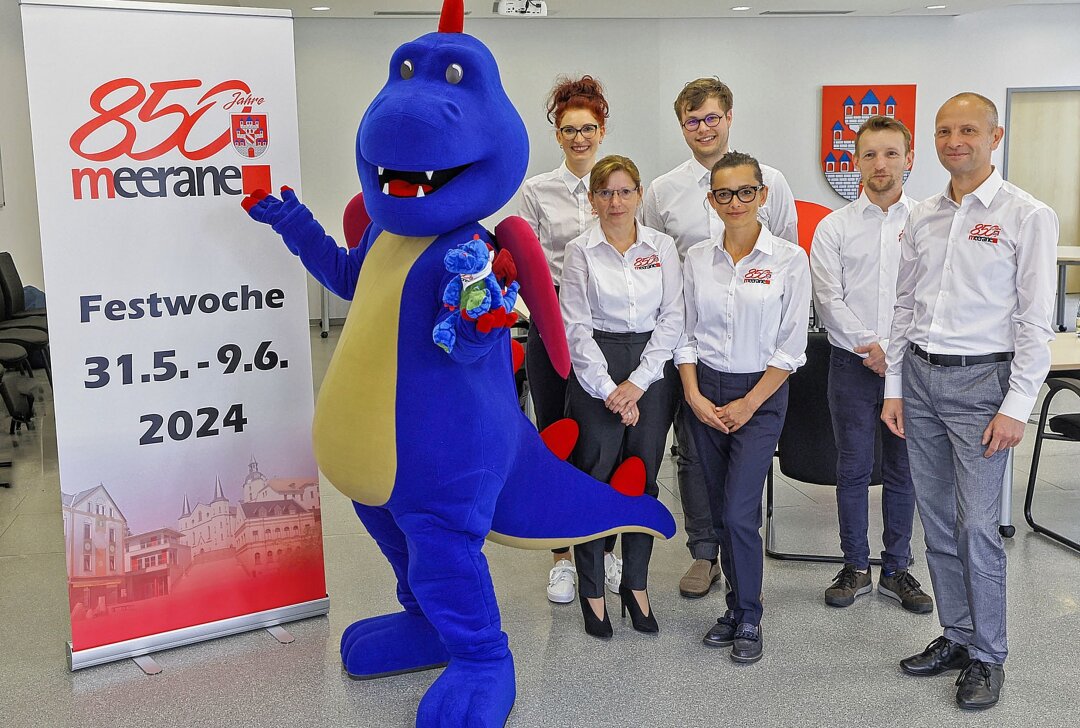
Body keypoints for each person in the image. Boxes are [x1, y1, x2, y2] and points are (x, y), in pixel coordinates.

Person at [881, 93, 1057, 710]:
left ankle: (989, 654)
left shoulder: (1026, 215)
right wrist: (895, 387)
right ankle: (956, 635)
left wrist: (1018, 405)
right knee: (938, 521)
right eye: (944, 131)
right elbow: (903, 308)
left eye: (968, 130)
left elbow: (1037, 322)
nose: (955, 140)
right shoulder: (923, 214)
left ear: (995, 135)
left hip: (984, 387)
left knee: (978, 526)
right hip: (922, 382)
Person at [642, 77, 799, 598]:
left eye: (712, 117)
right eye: (692, 121)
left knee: (738, 487)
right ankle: (703, 554)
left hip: (756, 354)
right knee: (691, 455)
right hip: (693, 347)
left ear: (729, 116)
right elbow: (654, 262)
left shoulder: (770, 178)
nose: (703, 128)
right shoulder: (664, 189)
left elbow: (785, 266)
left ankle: (740, 574)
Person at [677, 151, 810, 663]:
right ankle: (732, 607)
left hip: (763, 392)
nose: (735, 203)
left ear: (763, 195)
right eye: (724, 194)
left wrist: (750, 403)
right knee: (714, 509)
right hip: (704, 391)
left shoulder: (789, 261)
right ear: (712, 200)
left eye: (746, 192)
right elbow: (684, 333)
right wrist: (693, 395)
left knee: (738, 512)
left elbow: (791, 347)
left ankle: (750, 613)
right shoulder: (696, 259)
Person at [808, 115, 933, 614]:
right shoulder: (834, 227)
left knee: (903, 470)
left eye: (890, 153)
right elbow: (828, 298)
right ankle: (855, 565)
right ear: (855, 161)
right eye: (869, 155)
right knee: (854, 466)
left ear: (909, 158)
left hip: (911, 368)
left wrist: (896, 354)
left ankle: (898, 567)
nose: (880, 164)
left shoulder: (927, 221)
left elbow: (928, 297)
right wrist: (871, 347)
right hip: (852, 365)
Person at [561, 154, 682, 638]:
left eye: (624, 191)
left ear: (639, 193)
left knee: (643, 479)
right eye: (605, 192)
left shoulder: (662, 246)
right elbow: (575, 328)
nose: (616, 201)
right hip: (597, 367)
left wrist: (639, 382)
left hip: (652, 369)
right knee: (595, 480)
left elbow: (673, 316)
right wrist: (611, 389)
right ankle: (592, 590)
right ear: (592, 200)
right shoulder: (580, 251)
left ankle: (636, 585)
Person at [518, 76, 620, 604]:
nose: (579, 138)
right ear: (557, 135)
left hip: (610, 326)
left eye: (588, 128)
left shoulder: (619, 185)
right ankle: (562, 555)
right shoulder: (538, 191)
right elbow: (523, 264)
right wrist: (534, 312)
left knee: (604, 437)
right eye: (568, 130)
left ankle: (605, 547)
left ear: (602, 131)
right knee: (557, 435)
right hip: (554, 324)